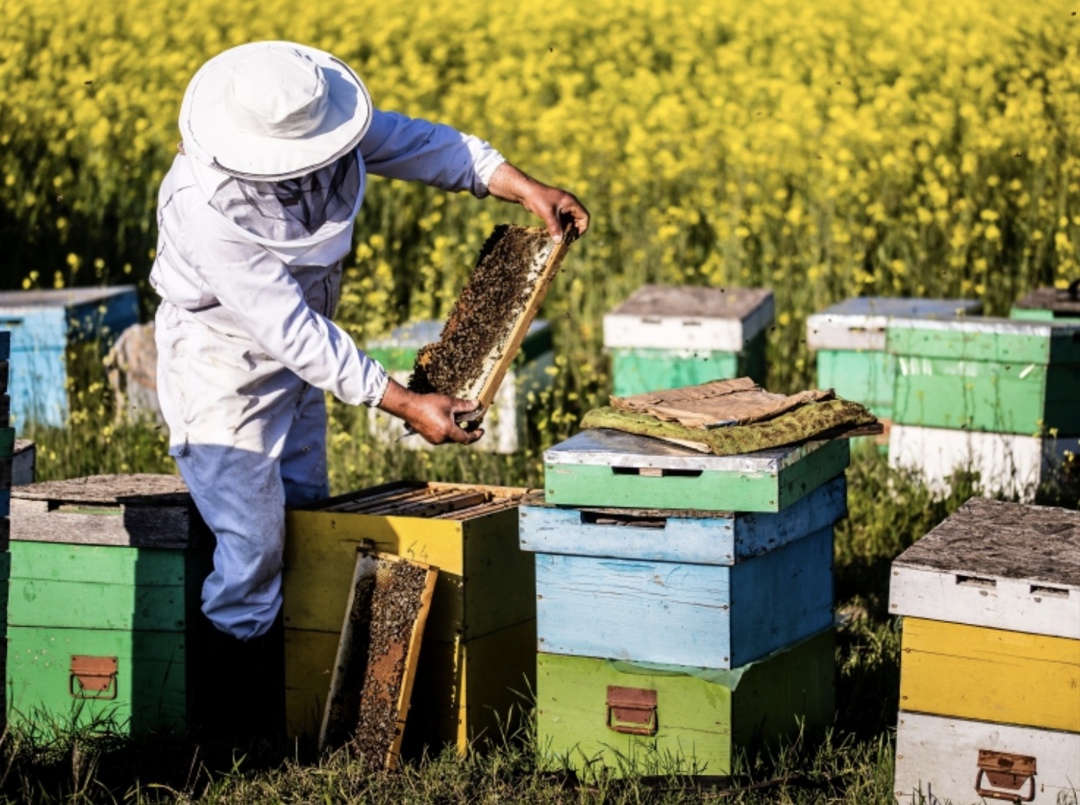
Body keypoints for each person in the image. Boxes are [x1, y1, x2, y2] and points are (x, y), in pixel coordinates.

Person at [149, 40, 589, 738]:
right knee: (251, 547)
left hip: (302, 359)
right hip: (221, 367)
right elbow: (287, 328)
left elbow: (424, 145)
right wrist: (408, 402)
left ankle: (300, 705)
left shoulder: (324, 123)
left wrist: (521, 186)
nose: (319, 169)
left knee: (306, 513)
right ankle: (237, 735)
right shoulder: (206, 210)